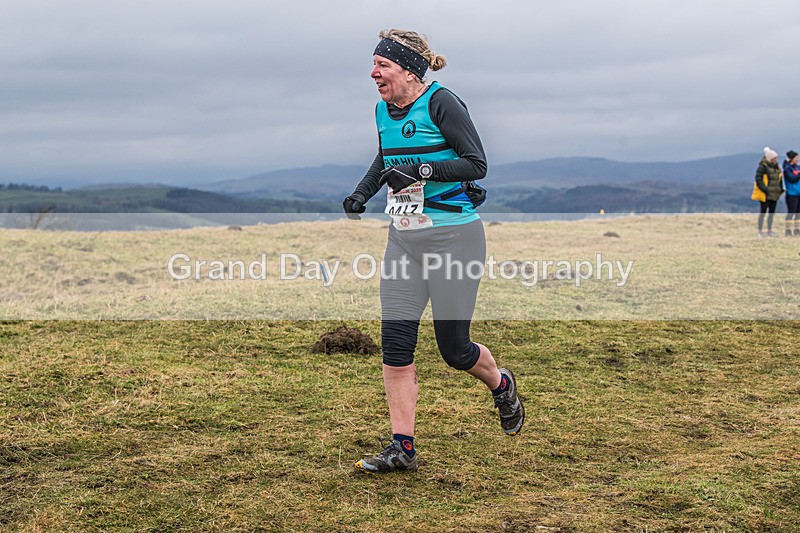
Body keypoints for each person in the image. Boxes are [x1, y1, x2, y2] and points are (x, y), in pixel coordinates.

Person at [343, 29, 524, 473]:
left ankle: (501, 384)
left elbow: (475, 163)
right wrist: (362, 194)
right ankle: (402, 447)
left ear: (408, 69)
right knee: (396, 345)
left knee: (454, 350)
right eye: (374, 65)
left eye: (382, 66)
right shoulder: (383, 110)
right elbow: (385, 159)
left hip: (454, 240)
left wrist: (420, 169)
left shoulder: (443, 103)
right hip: (404, 240)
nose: (374, 73)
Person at [752, 147, 784, 238]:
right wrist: (765, 189)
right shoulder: (762, 167)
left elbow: (780, 179)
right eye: (774, 158)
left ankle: (769, 231)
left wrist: (780, 189)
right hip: (765, 195)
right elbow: (758, 180)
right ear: (770, 158)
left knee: (771, 214)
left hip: (774, 194)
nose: (776, 159)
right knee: (762, 213)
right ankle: (760, 232)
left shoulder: (777, 168)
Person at [782, 150, 800, 236]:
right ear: (792, 158)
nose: (797, 160)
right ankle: (788, 230)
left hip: (799, 193)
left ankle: (797, 230)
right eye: (796, 158)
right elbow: (792, 178)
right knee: (791, 212)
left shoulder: (798, 167)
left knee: (798, 212)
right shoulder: (787, 169)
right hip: (791, 194)